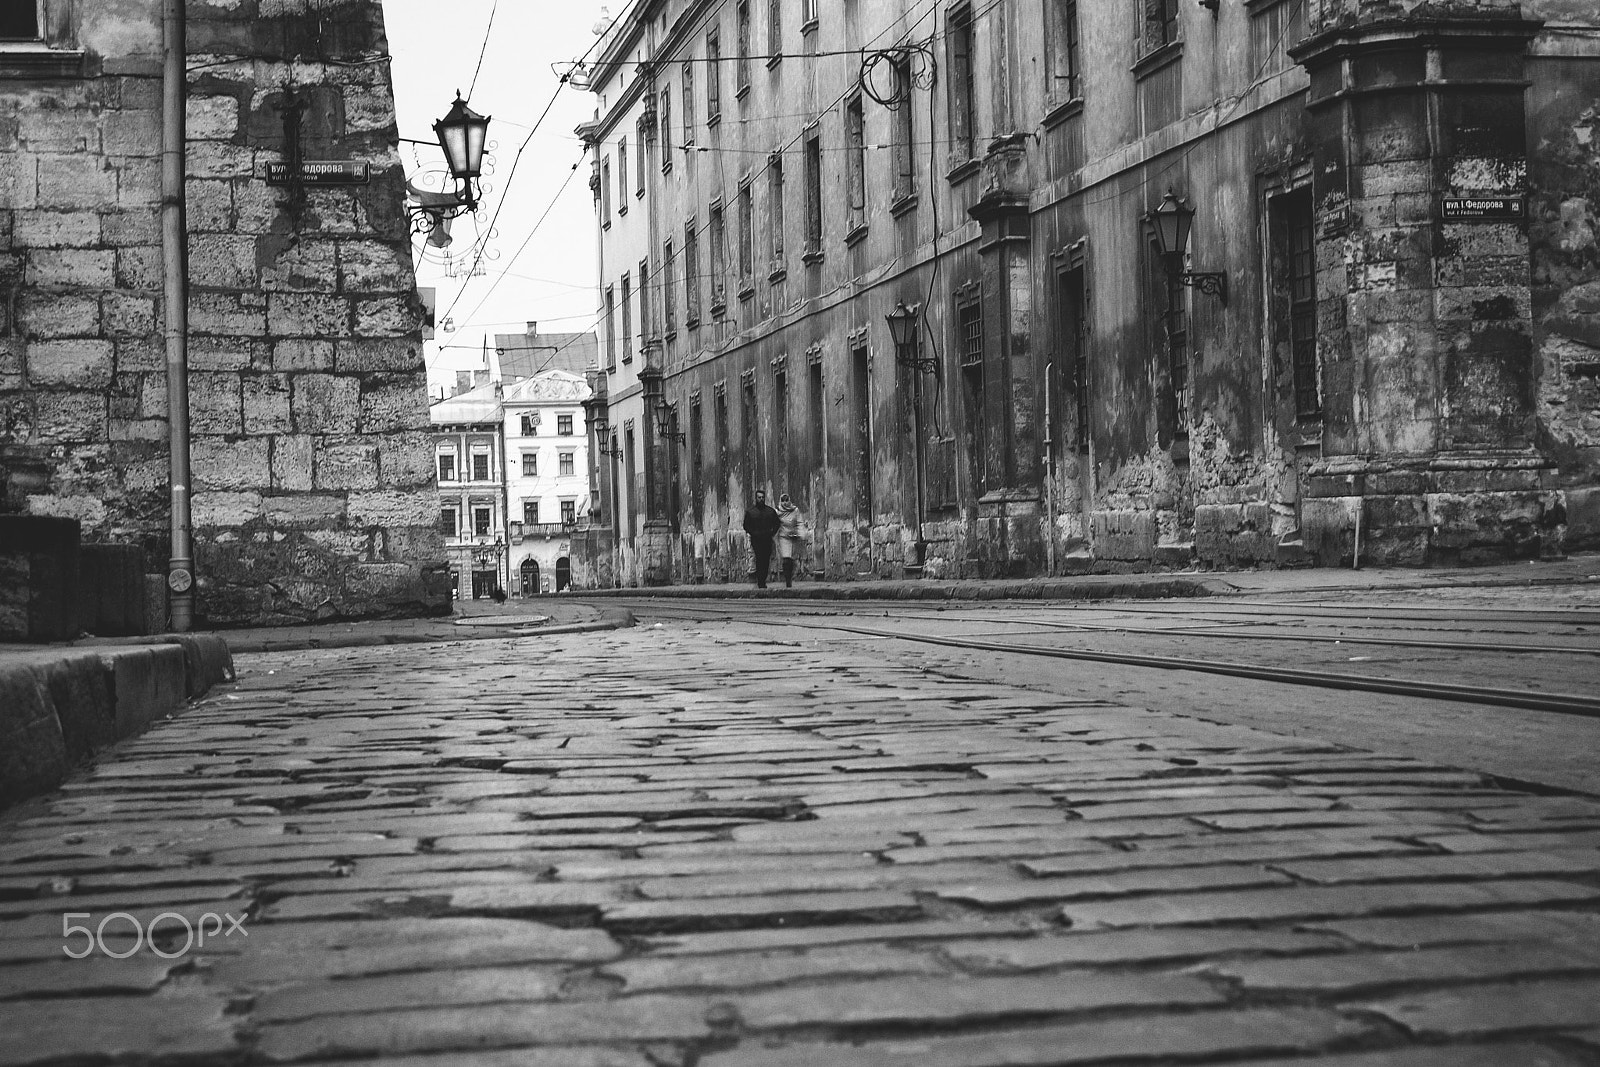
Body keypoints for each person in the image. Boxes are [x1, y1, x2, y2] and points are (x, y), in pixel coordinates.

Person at [741, 489, 780, 589]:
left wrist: (772, 533)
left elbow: (777, 523)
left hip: (767, 538)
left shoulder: (770, 511)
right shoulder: (751, 512)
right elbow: (746, 525)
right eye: (759, 497)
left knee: (766, 560)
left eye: (762, 497)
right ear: (756, 498)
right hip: (756, 539)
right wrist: (753, 533)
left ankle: (763, 578)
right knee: (759, 559)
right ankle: (760, 581)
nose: (761, 499)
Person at [775, 493, 805, 588]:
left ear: (789, 500)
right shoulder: (778, 511)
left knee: (791, 560)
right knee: (786, 559)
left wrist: (801, 533)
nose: (784, 503)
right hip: (783, 537)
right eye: (783, 501)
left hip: (793, 537)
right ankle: (787, 579)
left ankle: (790, 576)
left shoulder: (795, 510)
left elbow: (799, 522)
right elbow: (774, 523)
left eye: (786, 500)